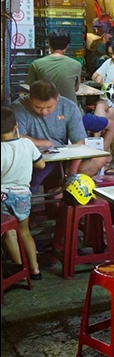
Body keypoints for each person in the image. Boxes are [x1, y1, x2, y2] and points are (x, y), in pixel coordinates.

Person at [27, 29, 114, 153]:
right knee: (112, 125)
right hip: (74, 116)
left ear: (48, 44)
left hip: (44, 117)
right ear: (68, 45)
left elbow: (31, 89)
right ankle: (104, 158)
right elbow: (76, 88)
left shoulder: (36, 64)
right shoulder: (76, 65)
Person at [11, 81, 110, 188]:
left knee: (100, 158)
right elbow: (16, 137)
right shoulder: (18, 108)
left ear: (57, 98)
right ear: (30, 99)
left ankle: (67, 187)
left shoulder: (69, 107)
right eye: (38, 107)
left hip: (62, 156)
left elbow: (79, 142)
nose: (44, 112)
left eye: (49, 107)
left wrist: (73, 172)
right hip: (33, 159)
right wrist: (42, 143)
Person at [1, 107, 44, 280]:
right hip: (22, 196)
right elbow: (41, 165)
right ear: (16, 126)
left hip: (2, 196)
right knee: (24, 231)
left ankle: (21, 269)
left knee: (8, 231)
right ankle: (35, 269)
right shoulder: (27, 144)